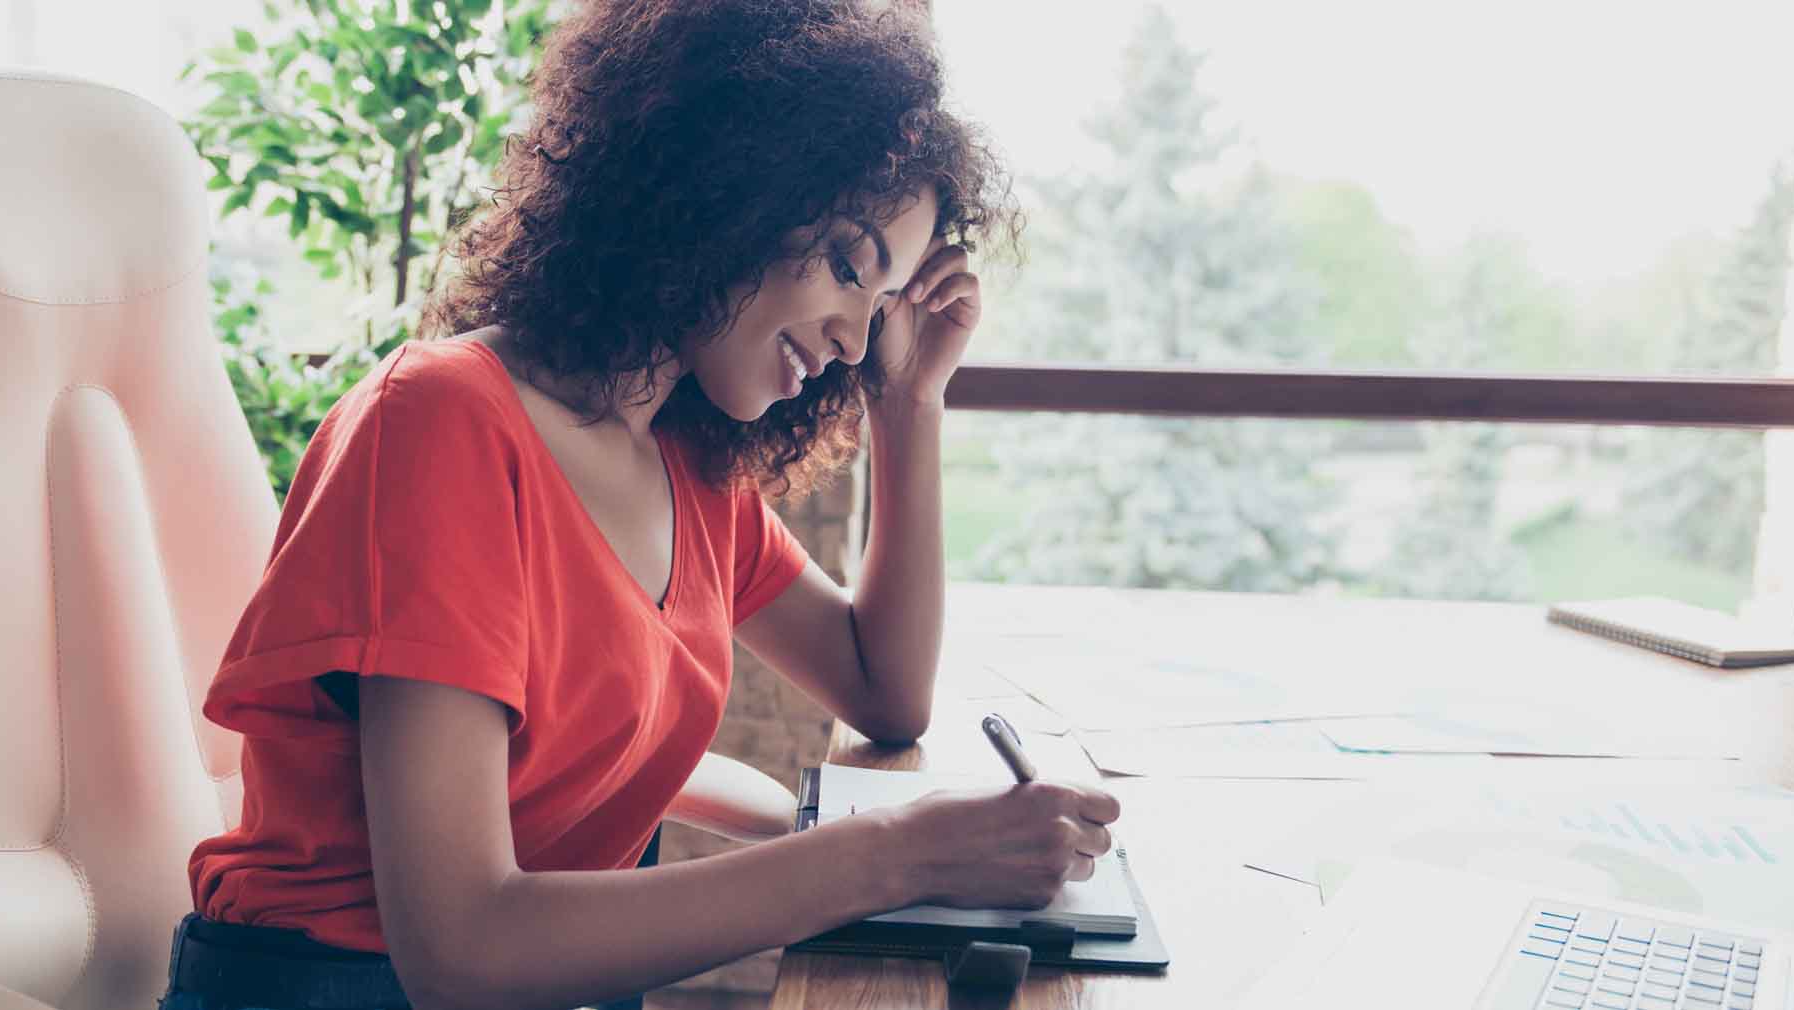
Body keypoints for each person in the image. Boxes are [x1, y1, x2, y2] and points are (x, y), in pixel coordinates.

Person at [170, 2, 1120, 1008]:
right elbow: (460, 948)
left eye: (881, 306)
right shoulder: (441, 424)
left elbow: (884, 689)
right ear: (729, 183)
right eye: (847, 262)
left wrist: (908, 400)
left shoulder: (684, 461)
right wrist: (895, 854)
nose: (853, 335)